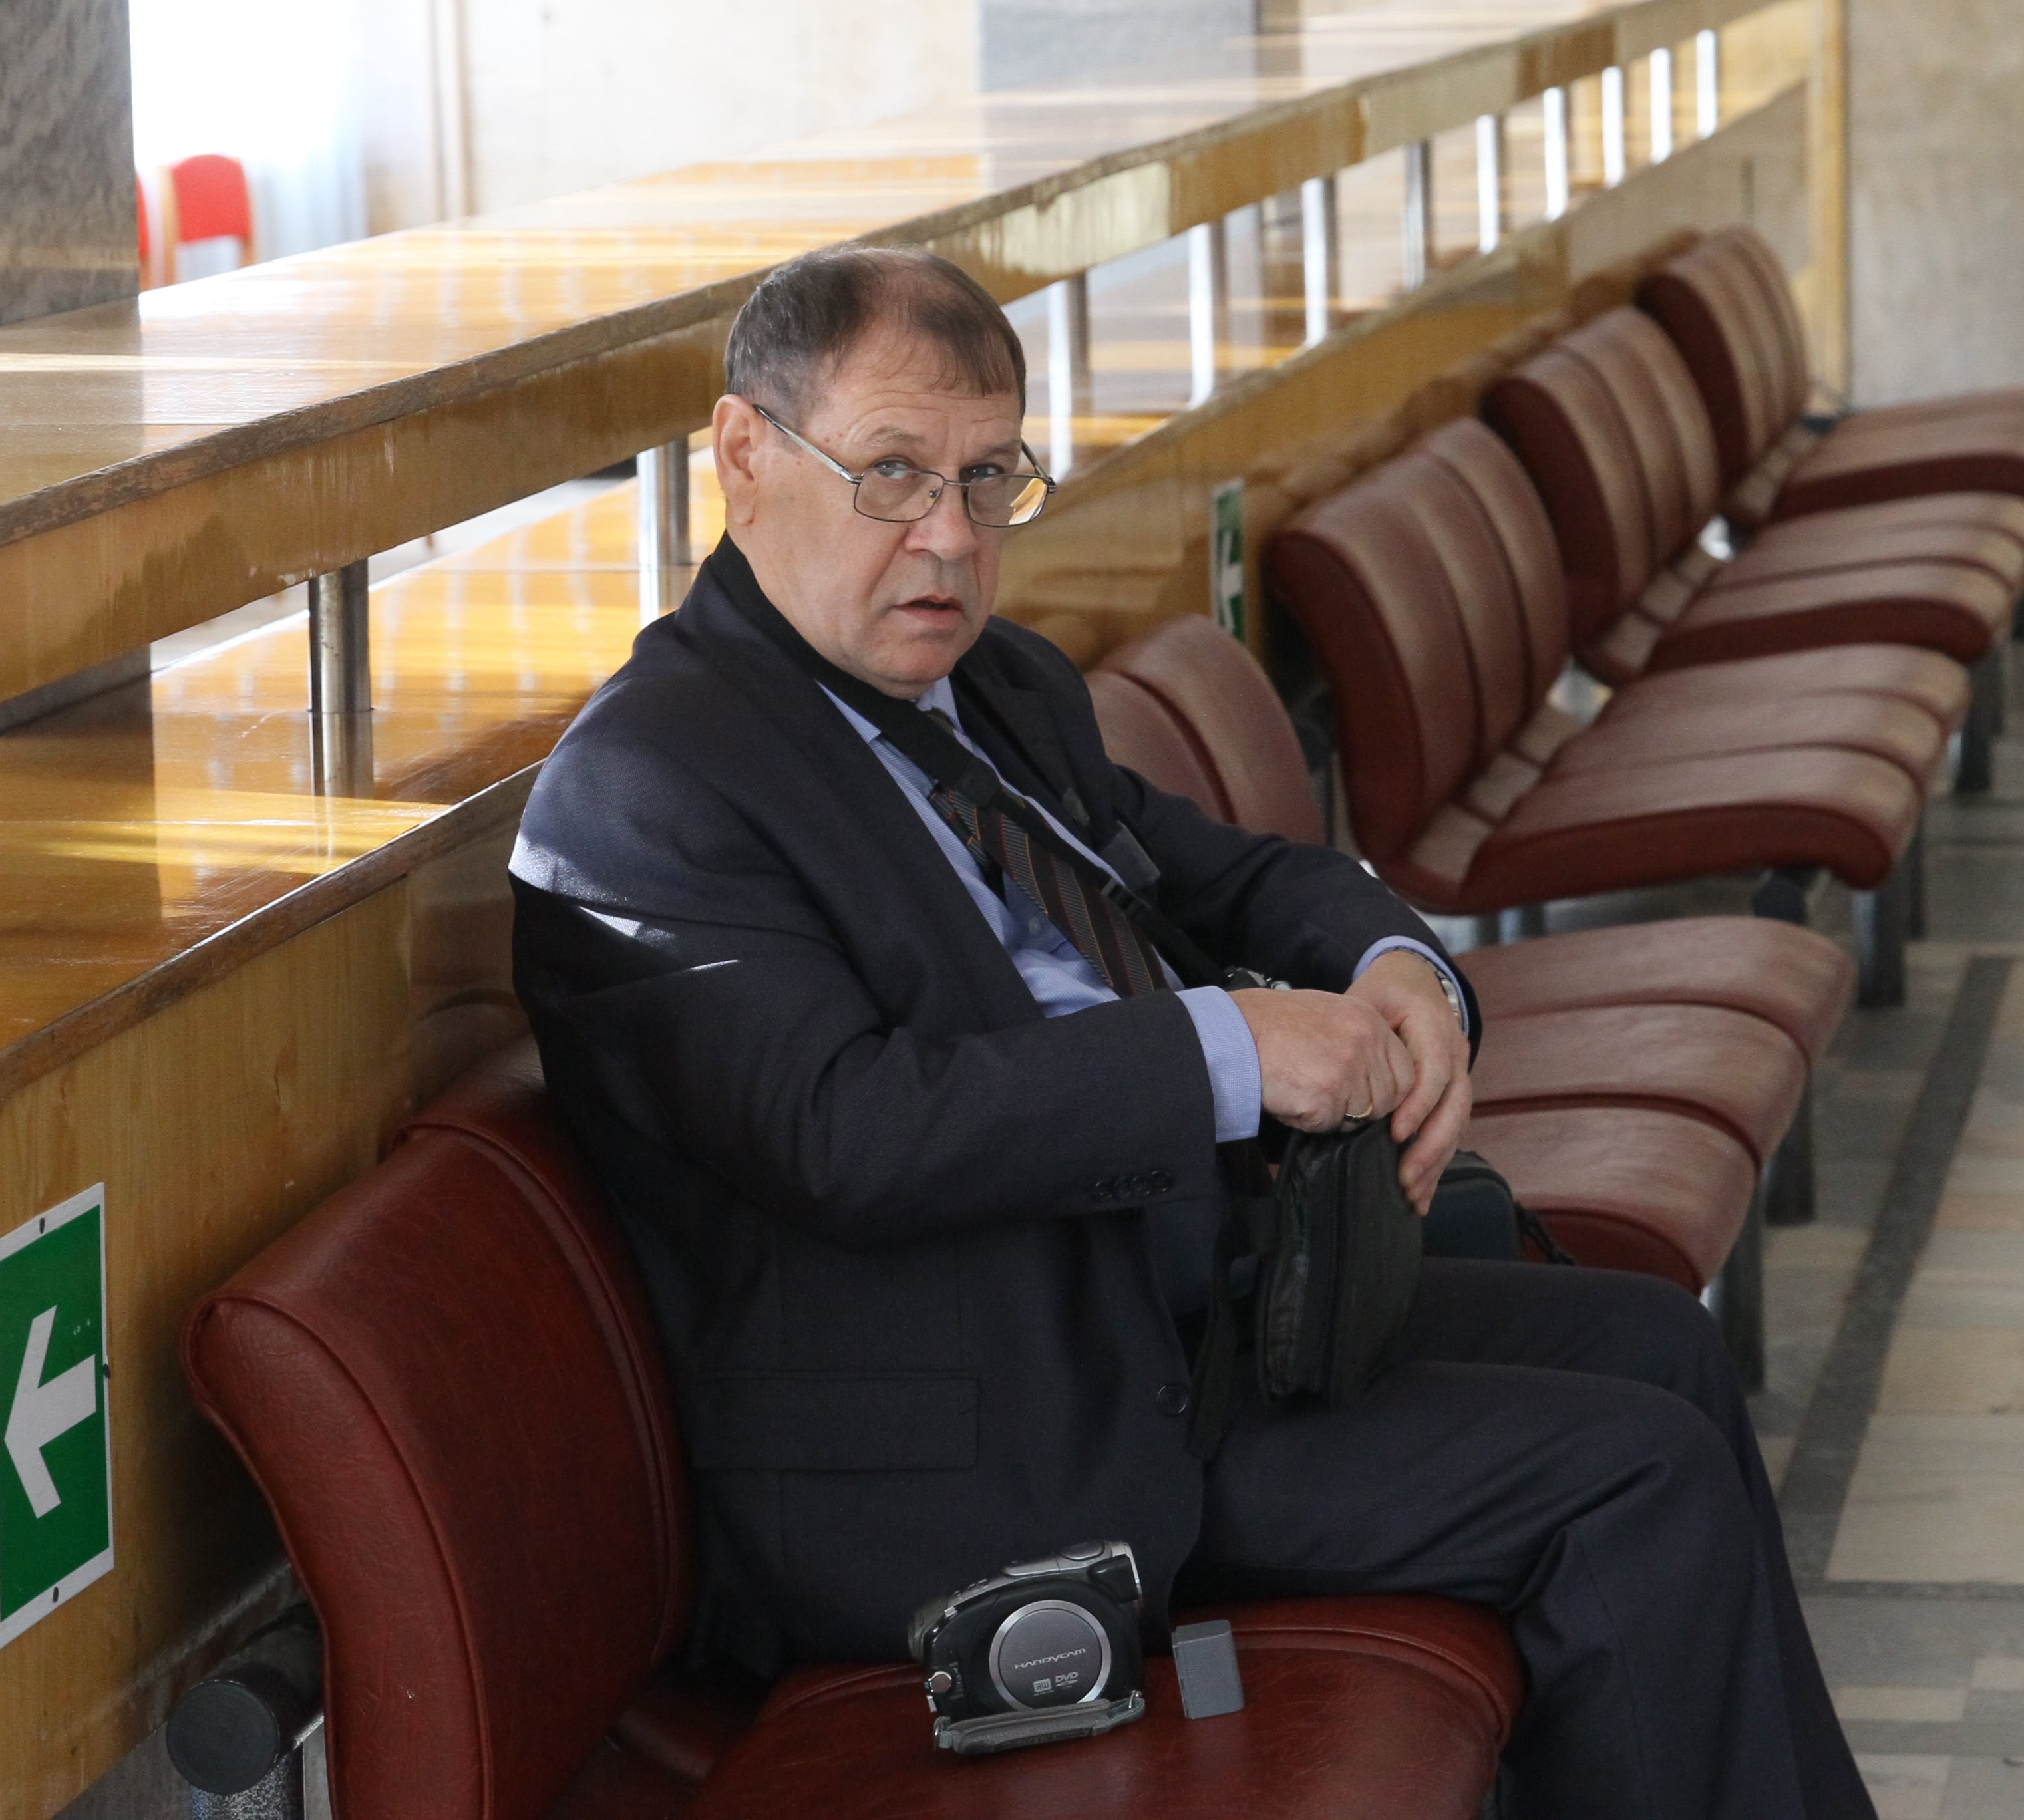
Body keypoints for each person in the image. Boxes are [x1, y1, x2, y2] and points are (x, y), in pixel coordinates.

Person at [510, 243, 1872, 1819]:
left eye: (987, 479)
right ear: (745, 457)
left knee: (1660, 1350)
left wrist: (1396, 969)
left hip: (1174, 1323)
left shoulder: (996, 692)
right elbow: (848, 1130)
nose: (948, 539)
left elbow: (1231, 876)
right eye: (891, 476)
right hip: (983, 1455)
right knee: (1634, 1485)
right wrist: (1231, 1051)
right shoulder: (650, 790)